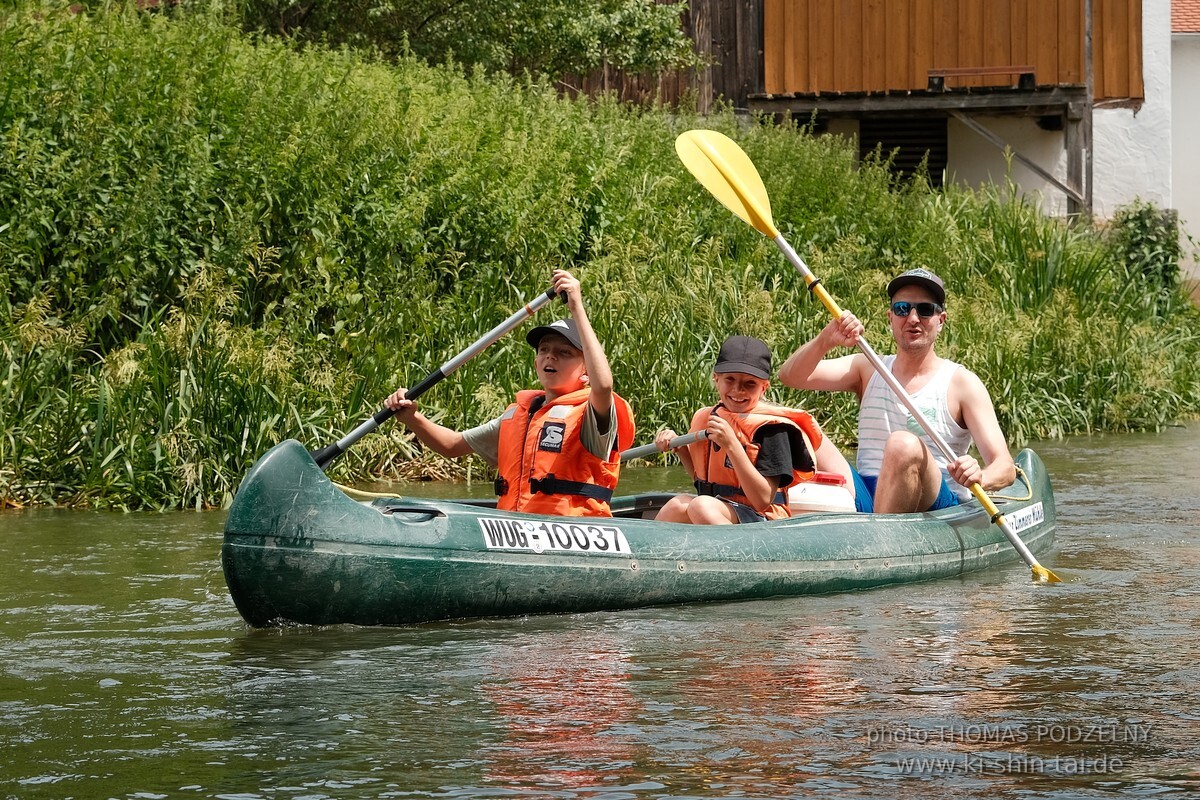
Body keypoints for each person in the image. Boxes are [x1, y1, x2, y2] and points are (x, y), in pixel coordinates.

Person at [385, 269, 635, 517]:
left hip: (572, 532)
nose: (550, 355)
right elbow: (451, 445)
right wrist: (412, 419)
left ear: (586, 371)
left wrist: (576, 308)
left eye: (564, 352)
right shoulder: (519, 415)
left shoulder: (592, 415)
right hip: (517, 528)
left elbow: (603, 386)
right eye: (544, 350)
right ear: (536, 362)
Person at [778, 267, 1015, 514]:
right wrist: (825, 339)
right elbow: (790, 376)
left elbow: (1005, 466)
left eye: (924, 310)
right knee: (799, 423)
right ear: (890, 317)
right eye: (903, 309)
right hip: (868, 491)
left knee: (903, 445)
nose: (913, 318)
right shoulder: (867, 367)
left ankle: (880, 539)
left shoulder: (962, 383)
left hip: (933, 500)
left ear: (941, 320)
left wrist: (981, 476)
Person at [652, 335, 855, 525]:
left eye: (750, 384)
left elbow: (762, 500)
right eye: (729, 379)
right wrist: (679, 449)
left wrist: (732, 445)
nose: (738, 390)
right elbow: (702, 482)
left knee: (701, 505)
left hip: (762, 521)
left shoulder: (773, 431)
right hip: (723, 509)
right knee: (676, 505)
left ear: (764, 388)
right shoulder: (710, 418)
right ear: (716, 379)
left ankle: (740, 561)